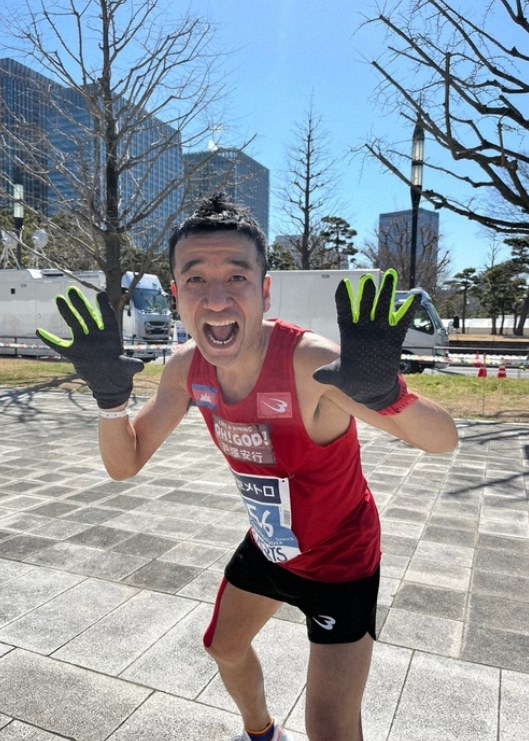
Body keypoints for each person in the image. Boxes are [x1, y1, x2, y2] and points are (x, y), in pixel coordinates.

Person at [37, 194, 458, 741]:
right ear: (176, 294)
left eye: (236, 277)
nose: (215, 299)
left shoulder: (309, 363)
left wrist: (385, 392)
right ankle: (262, 734)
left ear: (263, 290)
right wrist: (110, 399)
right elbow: (126, 463)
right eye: (195, 280)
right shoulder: (187, 369)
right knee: (223, 645)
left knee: (330, 725)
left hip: (340, 560)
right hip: (271, 545)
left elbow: (442, 440)